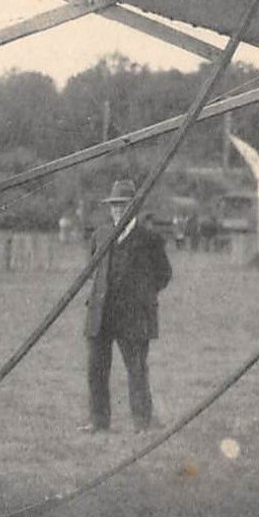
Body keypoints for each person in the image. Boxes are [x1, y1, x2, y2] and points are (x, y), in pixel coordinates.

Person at [82, 178, 172, 433]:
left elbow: (163, 274)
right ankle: (98, 422)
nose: (117, 210)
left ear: (134, 207)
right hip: (101, 315)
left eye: (123, 205)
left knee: (137, 371)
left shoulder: (149, 239)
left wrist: (140, 296)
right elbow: (92, 269)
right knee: (96, 371)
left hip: (133, 317)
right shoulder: (100, 235)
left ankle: (142, 424)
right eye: (114, 205)